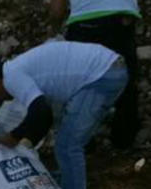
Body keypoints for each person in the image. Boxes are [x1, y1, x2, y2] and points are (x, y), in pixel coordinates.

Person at [0, 42, 128, 189]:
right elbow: (46, 117)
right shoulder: (16, 68)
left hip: (101, 76)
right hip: (106, 69)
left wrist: (14, 137)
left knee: (68, 146)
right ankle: (67, 181)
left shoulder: (11, 77)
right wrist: (28, 141)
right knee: (65, 138)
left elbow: (41, 111)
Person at [49, 0, 141, 148]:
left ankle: (84, 139)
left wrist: (54, 30)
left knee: (82, 81)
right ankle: (124, 139)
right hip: (121, 16)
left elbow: (58, 8)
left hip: (84, 20)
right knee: (124, 75)